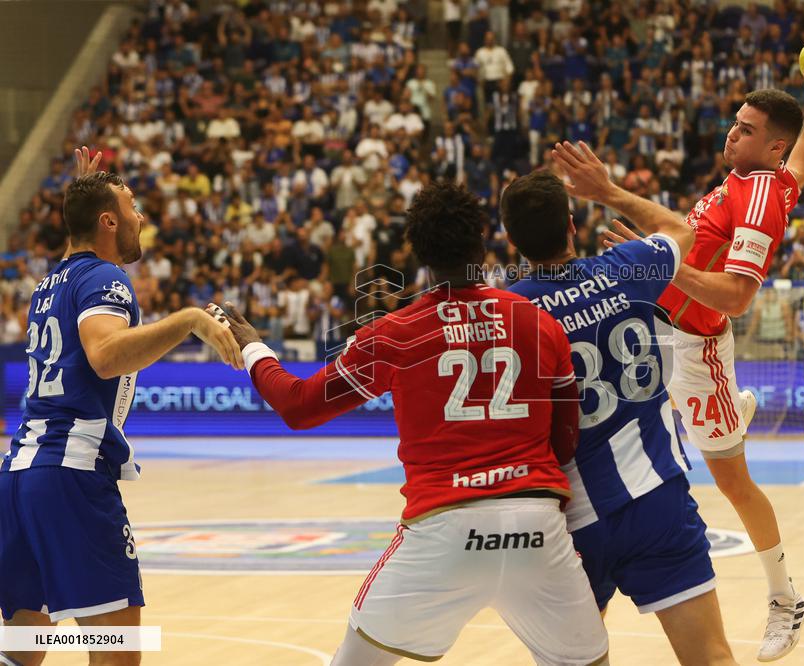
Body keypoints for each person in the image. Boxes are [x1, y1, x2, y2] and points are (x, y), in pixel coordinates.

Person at [221, 180, 609, 666]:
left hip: (442, 529)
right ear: (484, 242)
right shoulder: (536, 321)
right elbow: (565, 439)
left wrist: (255, 347)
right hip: (537, 526)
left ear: (417, 253)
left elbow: (298, 406)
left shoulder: (393, 335)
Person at [605, 57, 804, 659]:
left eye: (744, 129)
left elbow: (739, 298)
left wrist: (660, 264)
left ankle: (784, 599)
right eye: (734, 123)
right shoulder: (751, 180)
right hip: (657, 335)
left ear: (768, 146)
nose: (730, 132)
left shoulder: (759, 193)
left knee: (734, 482)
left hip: (697, 350)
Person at [0, 147, 242, 666]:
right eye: (132, 210)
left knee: (24, 649)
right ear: (109, 221)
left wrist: (83, 197)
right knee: (116, 652)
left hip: (20, 476)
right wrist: (188, 321)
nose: (141, 219)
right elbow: (106, 356)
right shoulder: (105, 278)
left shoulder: (52, 281)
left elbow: (81, 235)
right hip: (71, 477)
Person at [505, 145, 737, 666]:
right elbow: (684, 231)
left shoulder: (510, 312)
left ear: (510, 239)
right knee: (712, 657)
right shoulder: (627, 267)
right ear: (571, 223)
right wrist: (606, 191)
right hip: (658, 497)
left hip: (570, 520)